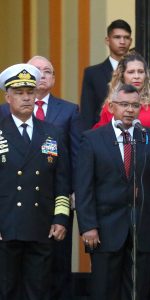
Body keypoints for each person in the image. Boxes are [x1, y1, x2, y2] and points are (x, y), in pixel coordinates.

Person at [75, 84, 150, 300]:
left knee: (138, 292)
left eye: (135, 105)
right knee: (104, 291)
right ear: (111, 106)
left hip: (142, 229)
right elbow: (84, 186)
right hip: (106, 230)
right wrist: (88, 226)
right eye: (124, 104)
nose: (130, 110)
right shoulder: (92, 139)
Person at [0, 55, 83, 300]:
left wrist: (60, 218)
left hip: (41, 225)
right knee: (7, 290)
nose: (26, 97)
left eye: (30, 91)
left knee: (39, 291)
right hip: (6, 226)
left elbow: (62, 181)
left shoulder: (53, 132)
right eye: (19, 92)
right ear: (8, 97)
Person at [93, 51, 150, 133]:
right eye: (131, 72)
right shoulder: (111, 106)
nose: (136, 76)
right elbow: (99, 137)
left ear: (146, 76)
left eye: (140, 72)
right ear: (122, 76)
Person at [80, 19, 132, 129]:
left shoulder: (138, 73)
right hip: (102, 134)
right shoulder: (92, 74)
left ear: (131, 41)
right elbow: (87, 114)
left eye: (126, 37)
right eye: (117, 37)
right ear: (107, 40)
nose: (122, 41)